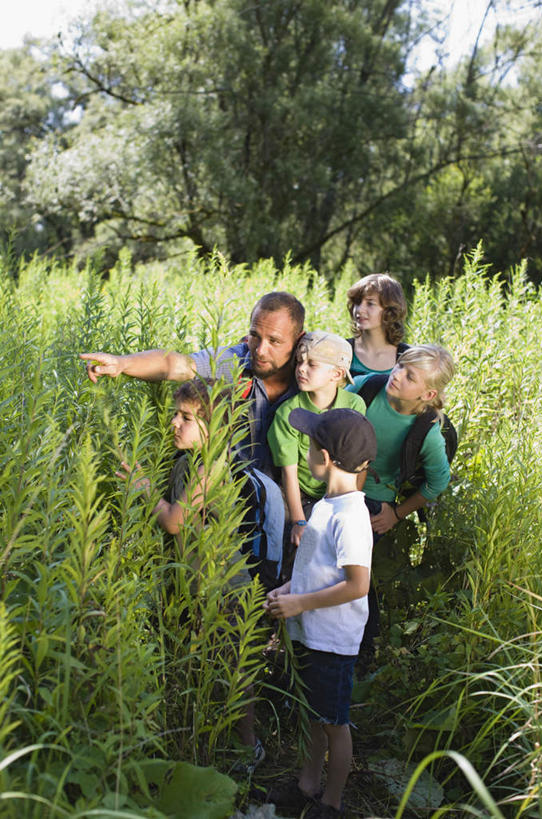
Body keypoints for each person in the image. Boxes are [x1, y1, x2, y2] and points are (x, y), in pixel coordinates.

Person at [117, 378, 264, 767]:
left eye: (186, 417)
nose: (174, 424)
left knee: (235, 671)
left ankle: (249, 749)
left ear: (214, 427)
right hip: (198, 585)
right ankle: (216, 747)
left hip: (225, 587)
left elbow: (175, 522)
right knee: (210, 667)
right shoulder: (187, 462)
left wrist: (144, 488)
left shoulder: (213, 465)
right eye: (175, 414)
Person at [265, 408, 376, 819]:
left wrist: (301, 603)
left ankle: (332, 802)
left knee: (333, 722)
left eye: (309, 445)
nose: (306, 451)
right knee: (313, 715)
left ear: (325, 458)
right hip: (310, 631)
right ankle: (307, 783)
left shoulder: (351, 516)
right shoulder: (327, 505)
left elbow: (357, 584)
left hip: (332, 639)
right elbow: (316, 570)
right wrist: (288, 591)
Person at [81, 291, 305, 477]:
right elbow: (176, 364)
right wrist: (123, 363)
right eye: (255, 335)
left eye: (274, 341)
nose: (260, 350)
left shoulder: (314, 372)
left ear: (298, 339)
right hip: (229, 496)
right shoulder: (235, 362)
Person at [267, 332, 366, 566]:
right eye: (299, 362)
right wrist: (299, 522)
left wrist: (345, 504)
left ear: (337, 373)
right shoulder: (288, 412)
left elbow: (357, 465)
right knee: (296, 545)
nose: (301, 369)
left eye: (312, 364)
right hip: (294, 492)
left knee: (330, 553)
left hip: (335, 492)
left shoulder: (354, 406)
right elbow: (288, 473)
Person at [347, 344, 455, 533]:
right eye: (400, 365)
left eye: (410, 377)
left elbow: (438, 481)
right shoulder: (367, 385)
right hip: (329, 483)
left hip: (371, 502)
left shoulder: (426, 432)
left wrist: (396, 514)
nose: (397, 374)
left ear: (428, 394)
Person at [346, 273, 408, 377]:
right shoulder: (341, 351)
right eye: (357, 302)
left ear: (390, 310)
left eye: (370, 304)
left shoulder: (407, 357)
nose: (359, 310)